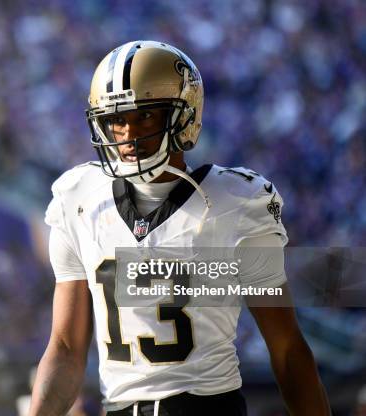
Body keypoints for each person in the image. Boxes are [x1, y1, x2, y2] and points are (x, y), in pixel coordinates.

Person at [28, 41, 330, 416]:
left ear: (184, 116)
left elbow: (285, 347)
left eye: (146, 117)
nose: (127, 134)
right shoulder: (78, 199)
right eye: (116, 119)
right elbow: (66, 349)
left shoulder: (236, 202)